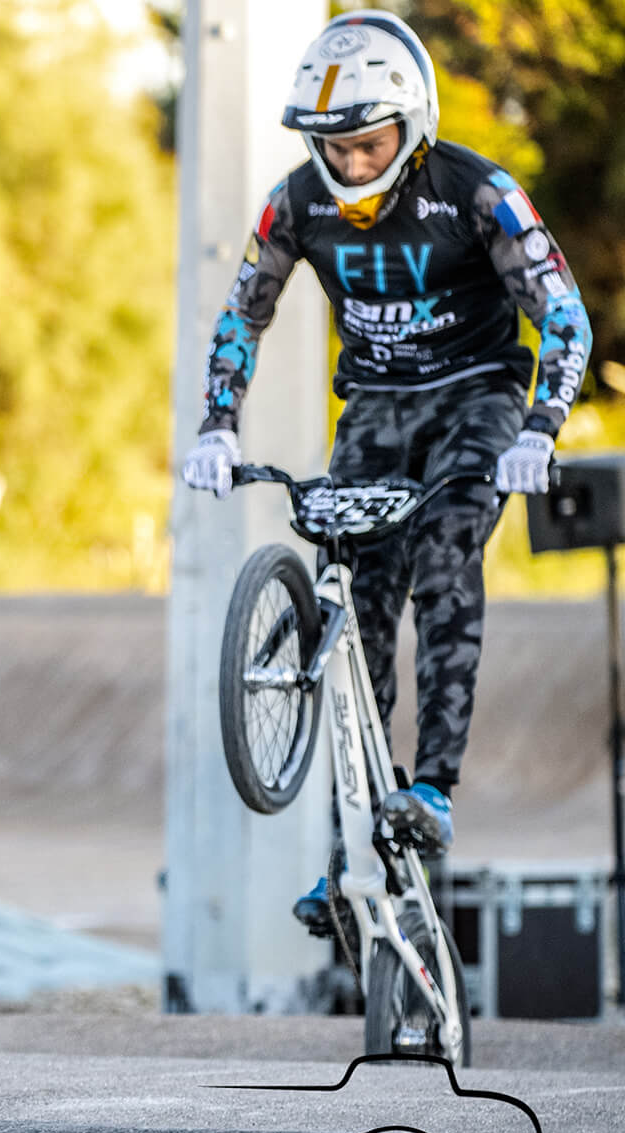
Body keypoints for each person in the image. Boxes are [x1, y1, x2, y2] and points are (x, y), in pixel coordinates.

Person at [179, 11, 591, 925]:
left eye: (371, 144)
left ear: (414, 126)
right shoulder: (293, 204)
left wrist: (540, 427)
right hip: (373, 408)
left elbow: (564, 315)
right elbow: (244, 312)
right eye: (336, 146)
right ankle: (352, 841)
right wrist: (217, 423)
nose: (354, 164)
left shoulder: (480, 193)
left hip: (477, 399)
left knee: (445, 559)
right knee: (352, 619)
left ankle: (434, 788)